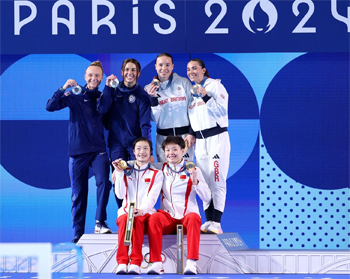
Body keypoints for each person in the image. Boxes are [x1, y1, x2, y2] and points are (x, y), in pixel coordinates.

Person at [46, 61, 112, 243]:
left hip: (98, 149)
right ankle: (78, 232)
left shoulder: (102, 96)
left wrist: (107, 90)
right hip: (78, 151)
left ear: (101, 77)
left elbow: (105, 111)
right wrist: (63, 88)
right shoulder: (75, 95)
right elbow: (50, 106)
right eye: (90, 75)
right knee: (79, 193)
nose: (94, 78)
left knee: (104, 183)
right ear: (85, 76)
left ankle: (100, 222)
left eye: (97, 75)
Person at [147, 136, 211, 275]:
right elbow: (139, 164)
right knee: (154, 219)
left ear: (183, 151)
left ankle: (191, 263)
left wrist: (195, 181)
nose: (171, 153)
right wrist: (119, 170)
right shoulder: (160, 169)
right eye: (167, 150)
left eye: (175, 149)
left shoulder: (194, 169)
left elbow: (207, 197)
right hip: (168, 217)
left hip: (187, 216)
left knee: (194, 218)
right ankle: (156, 263)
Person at [98, 58, 152, 208]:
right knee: (119, 179)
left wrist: (147, 149)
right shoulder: (113, 91)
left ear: (138, 73)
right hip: (116, 145)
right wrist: (107, 88)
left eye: (133, 70)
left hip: (135, 147)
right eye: (127, 70)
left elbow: (145, 124)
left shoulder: (142, 96)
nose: (130, 73)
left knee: (137, 181)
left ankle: (137, 216)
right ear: (122, 72)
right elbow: (101, 110)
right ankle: (123, 212)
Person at [186, 58, 230, 234]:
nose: (191, 72)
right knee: (203, 181)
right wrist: (191, 132)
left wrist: (205, 95)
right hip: (201, 142)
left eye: (195, 68)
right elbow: (194, 117)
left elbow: (222, 111)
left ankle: (217, 222)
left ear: (204, 70)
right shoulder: (192, 92)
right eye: (188, 69)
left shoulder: (215, 86)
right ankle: (208, 220)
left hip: (217, 138)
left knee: (217, 179)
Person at [112, 138, 163, 275]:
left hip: (146, 214)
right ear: (133, 152)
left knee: (138, 220)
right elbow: (120, 194)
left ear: (150, 151)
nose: (142, 152)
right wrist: (119, 172)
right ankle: (122, 262)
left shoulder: (157, 174)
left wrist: (142, 210)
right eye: (139, 149)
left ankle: (135, 263)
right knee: (124, 219)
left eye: (146, 148)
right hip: (126, 212)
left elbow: (153, 197)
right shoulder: (125, 170)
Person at [145, 53, 195, 162]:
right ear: (155, 66)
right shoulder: (149, 89)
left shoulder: (184, 83)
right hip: (163, 137)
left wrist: (192, 133)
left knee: (186, 171)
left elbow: (193, 110)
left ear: (172, 66)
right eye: (161, 65)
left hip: (184, 137)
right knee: (164, 173)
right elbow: (153, 118)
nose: (164, 68)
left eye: (167, 65)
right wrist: (153, 98)